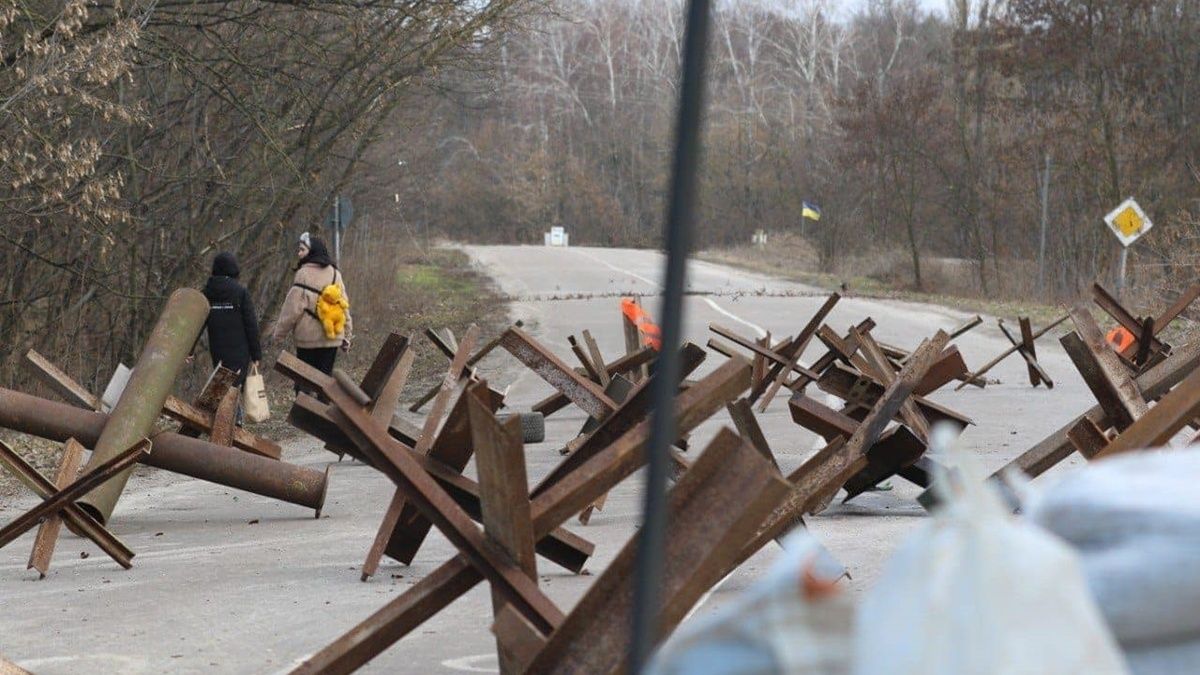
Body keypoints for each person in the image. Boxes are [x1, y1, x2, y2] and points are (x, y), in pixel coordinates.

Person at [270, 232, 352, 376]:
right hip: (332, 338)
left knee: (304, 380)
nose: (299, 253)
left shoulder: (303, 274)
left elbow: (291, 310)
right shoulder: (335, 274)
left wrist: (278, 335)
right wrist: (347, 335)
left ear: (312, 251)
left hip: (307, 339)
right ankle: (323, 399)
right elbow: (343, 306)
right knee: (325, 382)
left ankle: (303, 397)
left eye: (302, 249)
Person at [201, 251, 262, 386]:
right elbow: (250, 324)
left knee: (222, 385)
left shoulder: (206, 293)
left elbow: (198, 323)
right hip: (239, 350)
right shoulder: (240, 292)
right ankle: (229, 407)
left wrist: (190, 351)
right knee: (234, 387)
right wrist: (256, 354)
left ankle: (224, 406)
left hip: (217, 349)